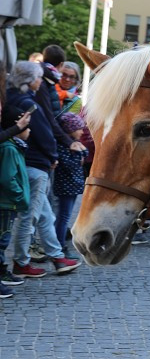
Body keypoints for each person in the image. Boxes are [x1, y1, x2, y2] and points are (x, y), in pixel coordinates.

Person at [3, 62, 80, 276]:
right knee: (31, 217)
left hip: (29, 162)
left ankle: (57, 257)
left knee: (45, 215)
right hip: (36, 164)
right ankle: (21, 262)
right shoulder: (28, 101)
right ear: (29, 80)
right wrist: (52, 155)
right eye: (38, 77)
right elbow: (43, 132)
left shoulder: (12, 97)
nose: (40, 82)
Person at [0, 101, 32, 296]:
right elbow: (7, 178)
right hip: (6, 202)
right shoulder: (9, 148)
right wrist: (19, 196)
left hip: (8, 202)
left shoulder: (12, 146)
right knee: (2, 240)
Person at [53, 112, 88, 248]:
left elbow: (84, 155)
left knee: (65, 216)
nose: (82, 132)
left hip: (71, 186)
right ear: (70, 130)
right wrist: (80, 153)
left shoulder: (74, 144)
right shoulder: (63, 146)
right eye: (79, 129)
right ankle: (59, 244)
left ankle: (59, 241)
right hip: (65, 187)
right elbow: (71, 165)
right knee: (64, 217)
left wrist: (81, 152)